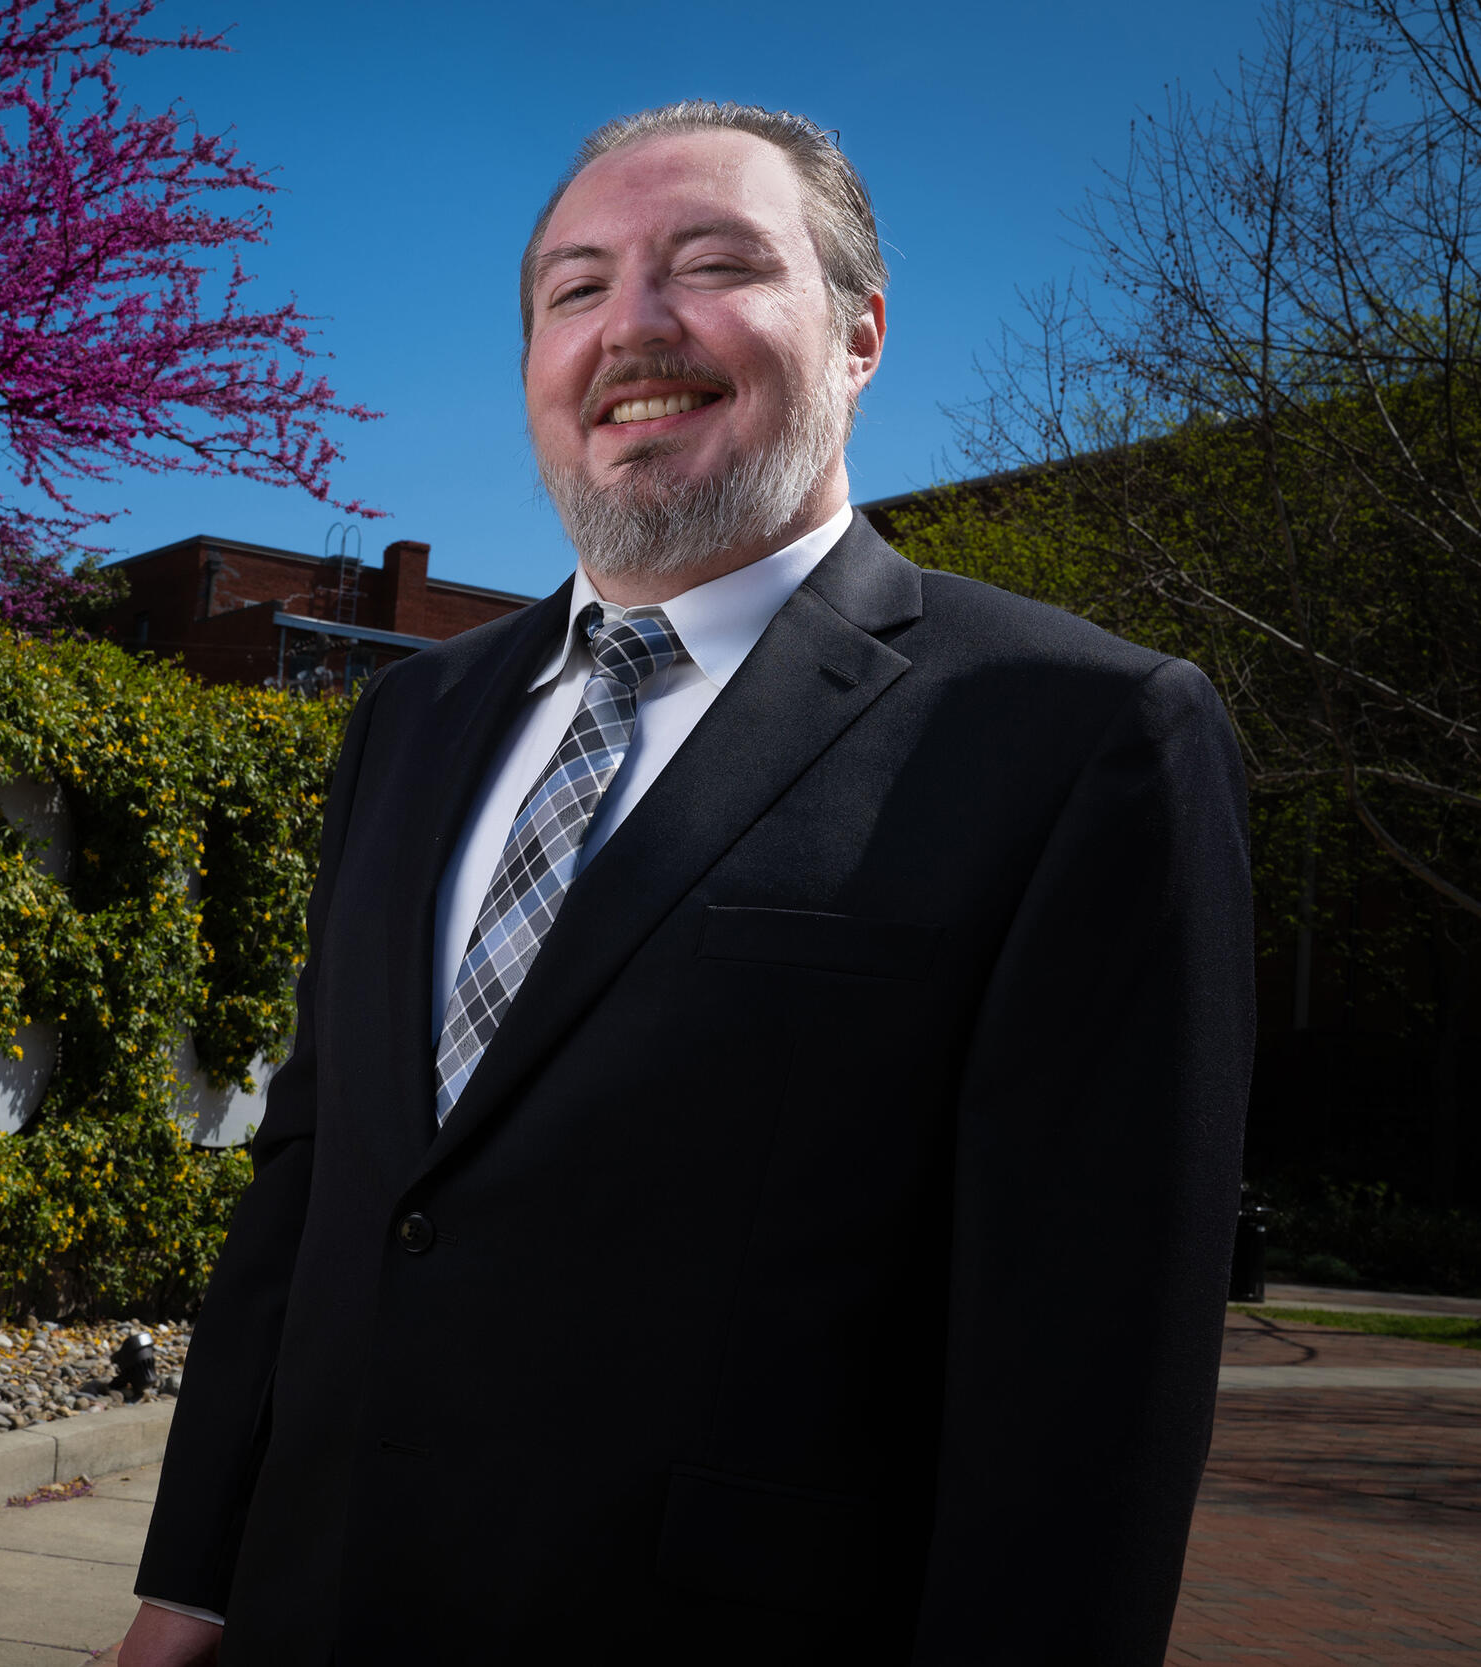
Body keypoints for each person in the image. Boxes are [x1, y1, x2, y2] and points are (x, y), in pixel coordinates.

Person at [118, 101, 1254, 1665]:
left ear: (858, 335)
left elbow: (1088, 1372)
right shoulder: (409, 721)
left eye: (709, 266)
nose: (632, 328)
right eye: (576, 289)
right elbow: (315, 1186)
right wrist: (193, 1580)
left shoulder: (1075, 734)